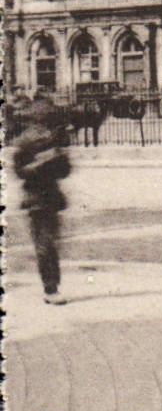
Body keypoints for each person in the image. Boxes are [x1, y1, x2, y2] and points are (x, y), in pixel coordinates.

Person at [8, 100, 72, 304]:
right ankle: (50, 288)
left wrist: (57, 160)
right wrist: (39, 165)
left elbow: (65, 170)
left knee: (51, 243)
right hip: (36, 198)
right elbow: (19, 170)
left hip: (51, 197)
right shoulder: (25, 142)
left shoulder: (54, 141)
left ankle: (52, 285)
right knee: (45, 244)